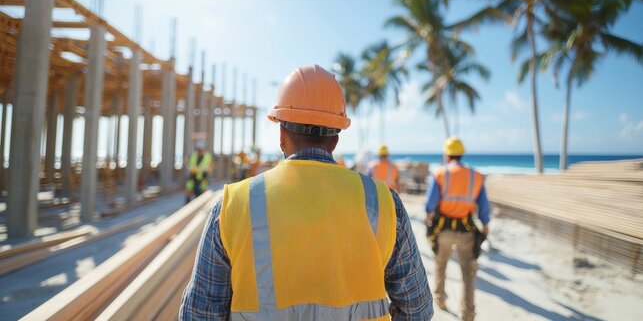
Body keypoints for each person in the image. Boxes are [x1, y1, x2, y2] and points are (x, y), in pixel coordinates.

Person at [180, 64, 433, 320]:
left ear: (281, 133)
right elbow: (417, 309)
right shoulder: (384, 203)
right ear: (336, 137)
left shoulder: (232, 206)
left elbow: (200, 314)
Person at [424, 137, 490, 321]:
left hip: (443, 229)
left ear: (447, 155)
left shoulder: (439, 174)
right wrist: (485, 226)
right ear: (461, 154)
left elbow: (429, 205)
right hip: (466, 231)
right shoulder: (475, 175)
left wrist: (428, 223)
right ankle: (468, 314)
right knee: (468, 273)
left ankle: (440, 300)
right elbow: (484, 206)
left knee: (440, 264)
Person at [185, 139, 212, 203]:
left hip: (202, 177)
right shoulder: (194, 155)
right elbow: (191, 166)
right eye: (199, 149)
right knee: (188, 190)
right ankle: (187, 206)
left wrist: (204, 171)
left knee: (203, 192)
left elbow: (209, 167)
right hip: (193, 177)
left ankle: (202, 206)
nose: (200, 151)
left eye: (201, 149)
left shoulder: (208, 156)